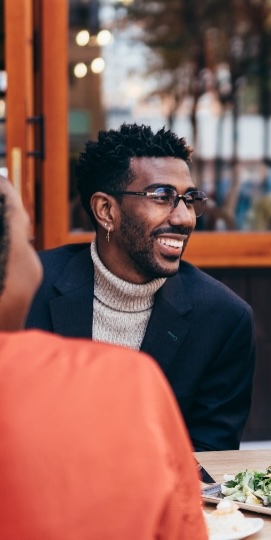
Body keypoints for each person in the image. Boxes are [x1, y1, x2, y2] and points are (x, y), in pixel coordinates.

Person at [26, 123, 255, 451]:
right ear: (106, 210)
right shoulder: (30, 289)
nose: (185, 218)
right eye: (163, 197)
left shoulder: (223, 318)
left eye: (189, 200)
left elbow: (208, 457)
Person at [0, 177, 206, 538]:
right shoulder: (124, 380)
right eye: (27, 241)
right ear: (105, 210)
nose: (184, 216)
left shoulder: (220, 312)